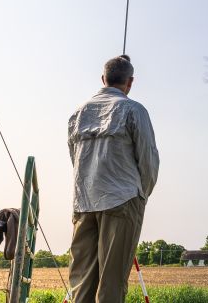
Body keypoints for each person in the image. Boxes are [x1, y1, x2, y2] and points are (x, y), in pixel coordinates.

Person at [67, 55, 159, 302]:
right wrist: (141, 195)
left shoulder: (77, 114)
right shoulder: (134, 110)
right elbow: (148, 160)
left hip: (83, 203)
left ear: (103, 79)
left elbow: (74, 159)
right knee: (112, 285)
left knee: (81, 283)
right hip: (122, 199)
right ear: (130, 82)